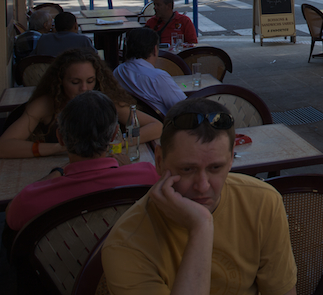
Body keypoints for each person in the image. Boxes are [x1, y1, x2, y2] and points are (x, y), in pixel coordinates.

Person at [102, 99, 297, 295]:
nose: (203, 186)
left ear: (231, 160)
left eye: (215, 168)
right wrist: (201, 227)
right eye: (187, 169)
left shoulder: (263, 202)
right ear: (159, 161)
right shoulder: (127, 244)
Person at [5, 90, 159, 231]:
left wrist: (56, 173)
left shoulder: (30, 199)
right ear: (113, 137)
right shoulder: (149, 177)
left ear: (60, 138)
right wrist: (129, 169)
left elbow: (11, 217)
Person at [0, 49, 162, 159]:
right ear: (60, 82)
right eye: (75, 82)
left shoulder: (104, 100)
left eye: (90, 81)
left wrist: (118, 144)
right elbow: (2, 148)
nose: (84, 88)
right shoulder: (46, 105)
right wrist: (58, 149)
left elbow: (156, 126)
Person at [114, 28, 186, 116]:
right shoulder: (157, 77)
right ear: (155, 49)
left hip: (132, 123)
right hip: (163, 125)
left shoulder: (118, 71)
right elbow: (185, 108)